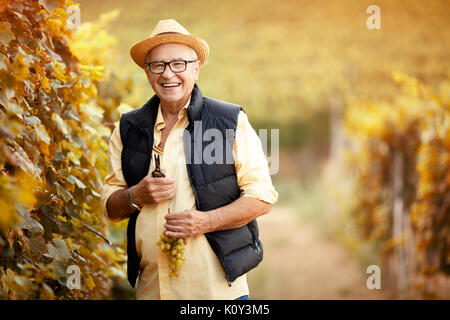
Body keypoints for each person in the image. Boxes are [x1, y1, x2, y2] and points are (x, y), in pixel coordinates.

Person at [100, 19, 278, 300]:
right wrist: (136, 195)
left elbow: (262, 196)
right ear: (147, 73)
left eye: (178, 64)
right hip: (151, 291)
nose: (168, 73)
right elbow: (111, 207)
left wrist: (205, 222)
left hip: (218, 293)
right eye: (157, 65)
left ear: (196, 68)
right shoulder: (127, 129)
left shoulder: (230, 121)